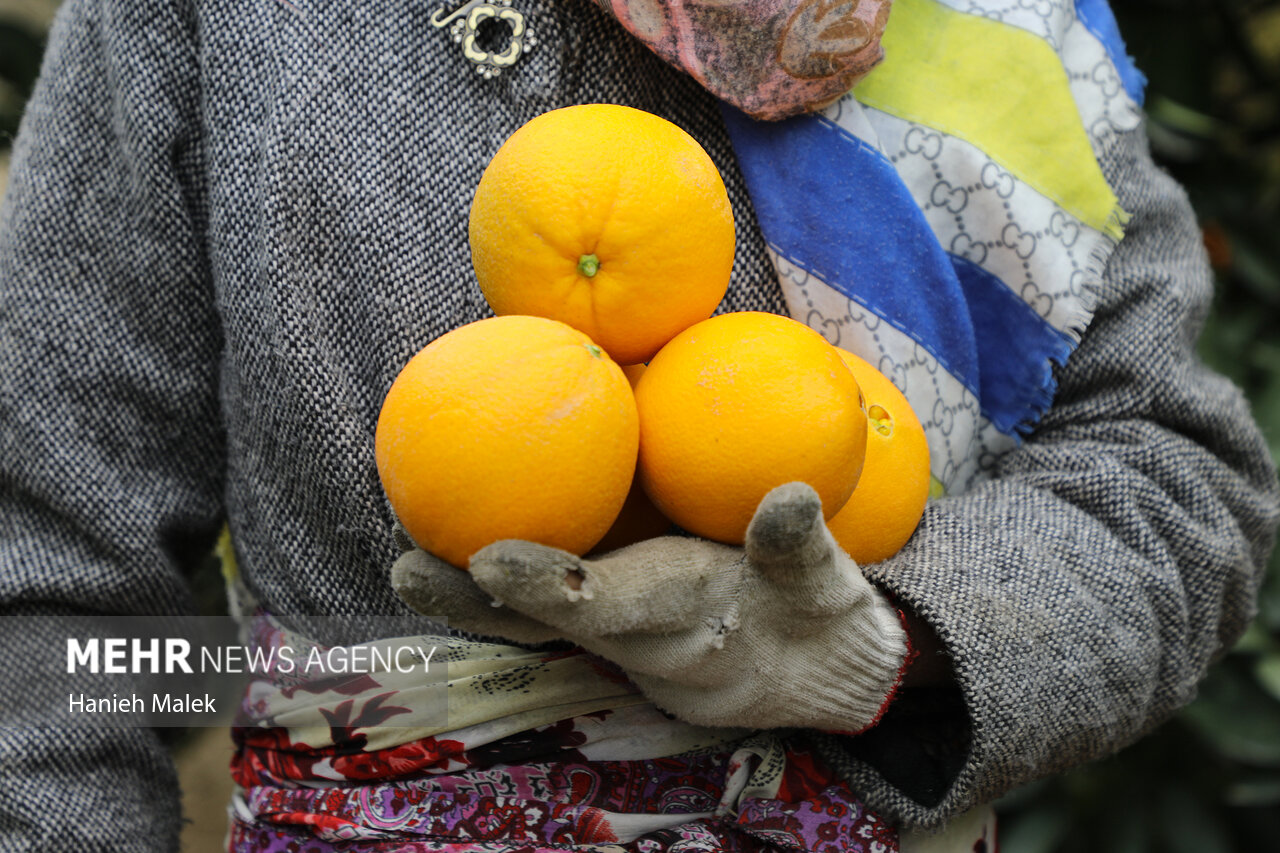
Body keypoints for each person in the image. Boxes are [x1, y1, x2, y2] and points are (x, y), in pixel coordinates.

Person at [1, 0, 1276, 850]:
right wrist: (325, 704)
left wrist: (900, 650)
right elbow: (53, 607)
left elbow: (1171, 474)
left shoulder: (989, 22)